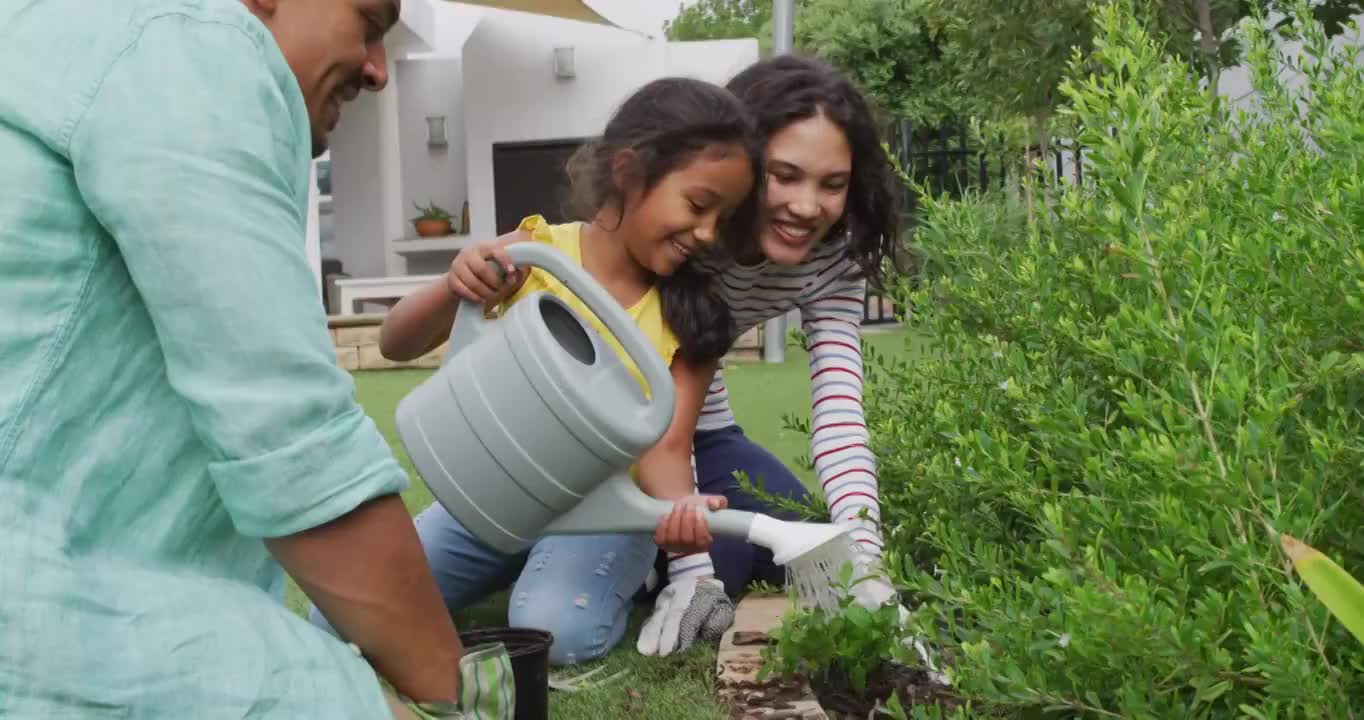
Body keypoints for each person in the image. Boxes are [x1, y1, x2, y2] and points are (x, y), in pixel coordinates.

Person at [0, 0, 502, 717]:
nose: (380, 71)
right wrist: (461, 701)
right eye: (367, 22)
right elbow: (295, 447)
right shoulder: (190, 44)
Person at [311, 76, 760, 665]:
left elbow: (667, 447)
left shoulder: (689, 315)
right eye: (699, 205)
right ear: (628, 171)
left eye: (721, 219)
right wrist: (455, 285)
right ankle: (518, 559)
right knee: (335, 613)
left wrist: (689, 555)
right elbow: (397, 342)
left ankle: (618, 573)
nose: (706, 233)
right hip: (495, 494)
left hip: (599, 509)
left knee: (552, 631)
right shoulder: (536, 253)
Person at [643, 55, 904, 638]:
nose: (807, 206)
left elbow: (839, 414)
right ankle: (639, 556)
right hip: (635, 440)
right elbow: (656, 400)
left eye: (832, 184)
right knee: (721, 563)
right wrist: (692, 571)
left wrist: (866, 560)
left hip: (710, 434)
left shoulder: (836, 259)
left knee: (814, 546)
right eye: (784, 175)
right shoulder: (693, 236)